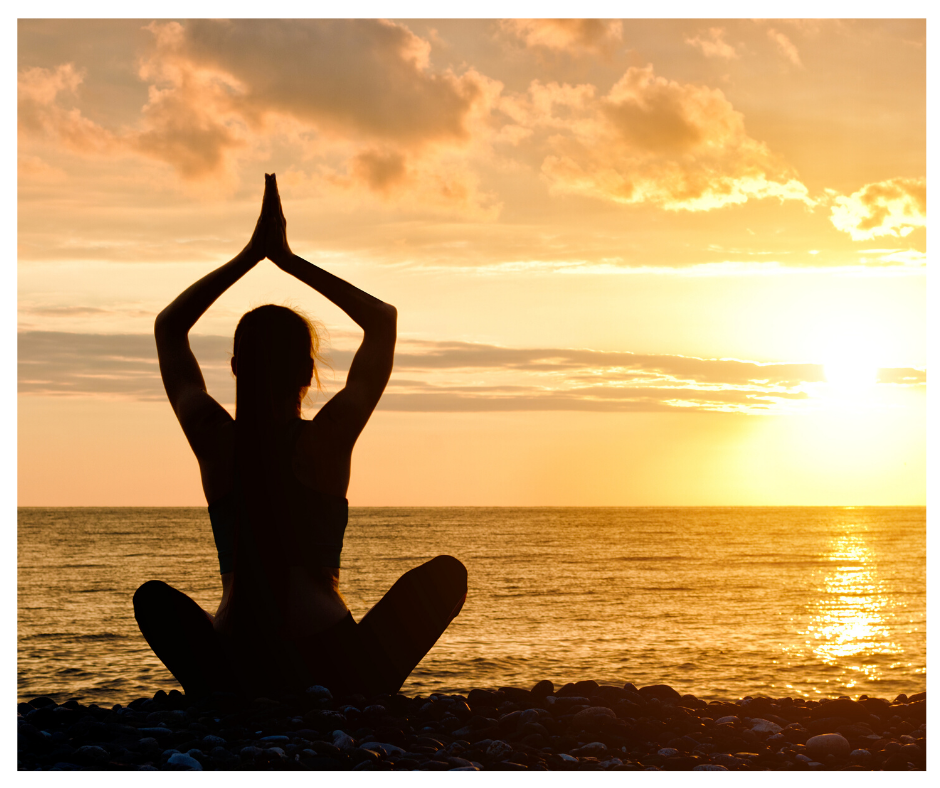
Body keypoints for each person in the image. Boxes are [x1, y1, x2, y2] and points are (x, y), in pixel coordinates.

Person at [133, 174, 467, 699]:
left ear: (237, 367)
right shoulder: (326, 442)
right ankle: (357, 698)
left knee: (152, 599)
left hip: (236, 663)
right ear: (308, 372)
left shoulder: (213, 438)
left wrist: (250, 257)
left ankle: (224, 697)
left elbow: (169, 328)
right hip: (333, 662)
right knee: (446, 576)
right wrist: (286, 259)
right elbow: (382, 322)